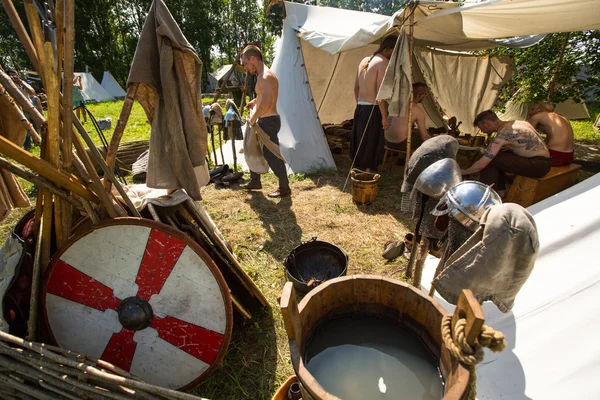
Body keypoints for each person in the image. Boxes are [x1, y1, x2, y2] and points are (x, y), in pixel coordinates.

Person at [462, 110, 551, 197]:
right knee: (500, 155)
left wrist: (464, 172)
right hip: (546, 163)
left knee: (491, 161)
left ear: (487, 123)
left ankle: (485, 195)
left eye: (481, 128)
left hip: (537, 166)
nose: (482, 131)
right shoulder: (521, 123)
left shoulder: (503, 134)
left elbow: (481, 165)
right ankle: (500, 191)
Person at [240, 45, 291, 198]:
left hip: (268, 121)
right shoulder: (263, 76)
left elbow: (268, 102)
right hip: (265, 119)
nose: (246, 67)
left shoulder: (265, 77)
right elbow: (265, 97)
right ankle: (255, 181)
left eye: (245, 63)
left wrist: (254, 117)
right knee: (252, 148)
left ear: (253, 59)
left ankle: (284, 187)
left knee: (272, 155)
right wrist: (255, 102)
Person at [351, 35, 397, 172]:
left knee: (360, 139)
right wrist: (384, 117)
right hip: (373, 108)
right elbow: (379, 94)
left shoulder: (364, 60)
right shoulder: (383, 63)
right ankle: (367, 170)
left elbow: (356, 88)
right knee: (371, 140)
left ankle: (358, 166)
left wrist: (359, 104)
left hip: (360, 106)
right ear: (389, 49)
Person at [385, 82, 432, 153]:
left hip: (387, 141)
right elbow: (424, 136)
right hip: (401, 144)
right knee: (426, 134)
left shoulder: (396, 102)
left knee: (412, 132)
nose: (425, 97)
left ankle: (401, 159)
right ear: (419, 95)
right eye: (425, 95)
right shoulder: (418, 110)